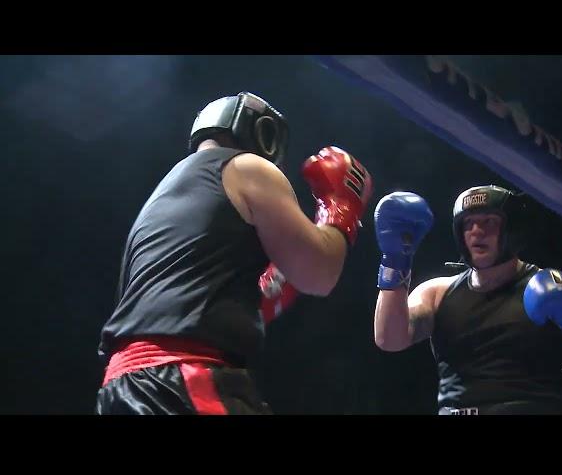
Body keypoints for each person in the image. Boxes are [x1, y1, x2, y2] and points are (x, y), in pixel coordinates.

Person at [95, 91, 373, 415]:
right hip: (181, 377)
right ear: (264, 134)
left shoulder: (166, 195)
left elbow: (202, 302)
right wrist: (342, 204)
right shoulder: (247, 168)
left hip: (121, 385)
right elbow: (319, 274)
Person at [373, 185, 562, 414]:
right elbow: (390, 339)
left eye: (489, 221)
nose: (477, 231)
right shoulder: (436, 293)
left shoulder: (555, 286)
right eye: (469, 223)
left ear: (512, 228)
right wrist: (395, 260)